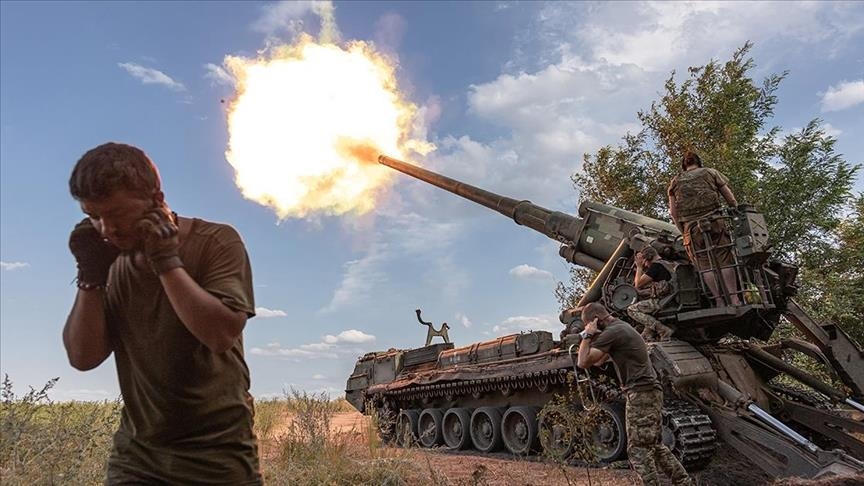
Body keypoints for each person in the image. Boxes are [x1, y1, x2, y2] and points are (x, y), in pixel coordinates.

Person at [62, 142, 261, 484]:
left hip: (218, 455)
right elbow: (83, 357)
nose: (107, 229)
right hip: (138, 457)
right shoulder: (109, 262)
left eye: (117, 214)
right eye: (94, 216)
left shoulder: (216, 241)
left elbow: (220, 335)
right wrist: (90, 276)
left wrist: (166, 262)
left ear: (156, 200)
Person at [577, 302, 693, 486]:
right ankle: (684, 483)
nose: (587, 328)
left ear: (596, 320)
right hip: (649, 391)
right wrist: (595, 337)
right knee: (655, 446)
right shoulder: (621, 327)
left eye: (587, 324)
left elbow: (583, 362)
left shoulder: (613, 332)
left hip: (641, 392)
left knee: (638, 450)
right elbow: (598, 362)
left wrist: (587, 335)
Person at [668, 150, 741, 306]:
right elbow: (730, 199)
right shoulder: (710, 172)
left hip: (692, 229)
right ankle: (734, 298)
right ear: (698, 162)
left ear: (683, 165)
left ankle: (719, 300)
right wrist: (735, 210)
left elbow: (673, 213)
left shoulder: (675, 181)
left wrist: (683, 231)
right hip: (715, 222)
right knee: (724, 260)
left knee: (704, 265)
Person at [627, 246, 675, 341]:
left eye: (645, 262)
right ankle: (647, 334)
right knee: (647, 307)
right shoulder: (667, 263)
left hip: (665, 301)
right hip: (673, 297)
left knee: (632, 309)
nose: (646, 266)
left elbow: (638, 284)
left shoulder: (656, 267)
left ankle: (663, 330)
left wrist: (639, 267)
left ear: (649, 258)